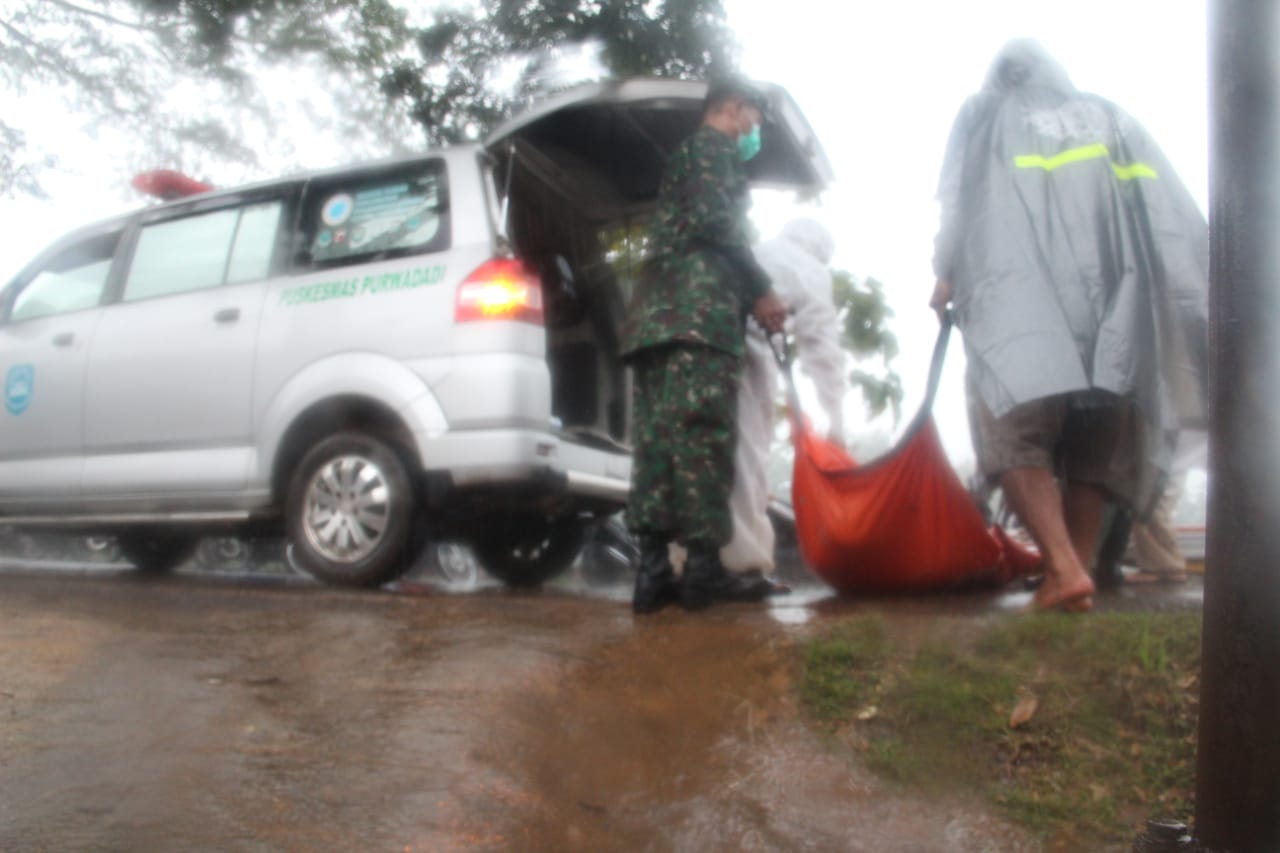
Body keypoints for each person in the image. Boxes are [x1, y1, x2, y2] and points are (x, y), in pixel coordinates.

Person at [930, 40, 1208, 612]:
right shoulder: (1110, 116)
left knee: (1013, 430)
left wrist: (946, 273)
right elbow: (1164, 208)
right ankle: (1074, 574)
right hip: (1117, 309)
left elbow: (958, 198)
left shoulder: (984, 114)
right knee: (1095, 444)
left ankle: (1063, 570)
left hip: (1019, 301)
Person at [621, 77, 789, 614]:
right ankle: (701, 572)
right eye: (755, 122)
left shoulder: (684, 159)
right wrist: (761, 288)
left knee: (657, 443)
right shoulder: (714, 150)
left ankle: (651, 575)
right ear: (735, 108)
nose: (753, 134)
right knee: (700, 440)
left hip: (656, 321)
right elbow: (719, 223)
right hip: (698, 317)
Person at [719, 217, 845, 591]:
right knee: (745, 459)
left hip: (699, 348)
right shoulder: (809, 269)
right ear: (821, 250)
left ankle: (690, 562)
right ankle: (744, 566)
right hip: (742, 356)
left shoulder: (761, 253)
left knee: (700, 455)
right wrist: (836, 419)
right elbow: (821, 347)